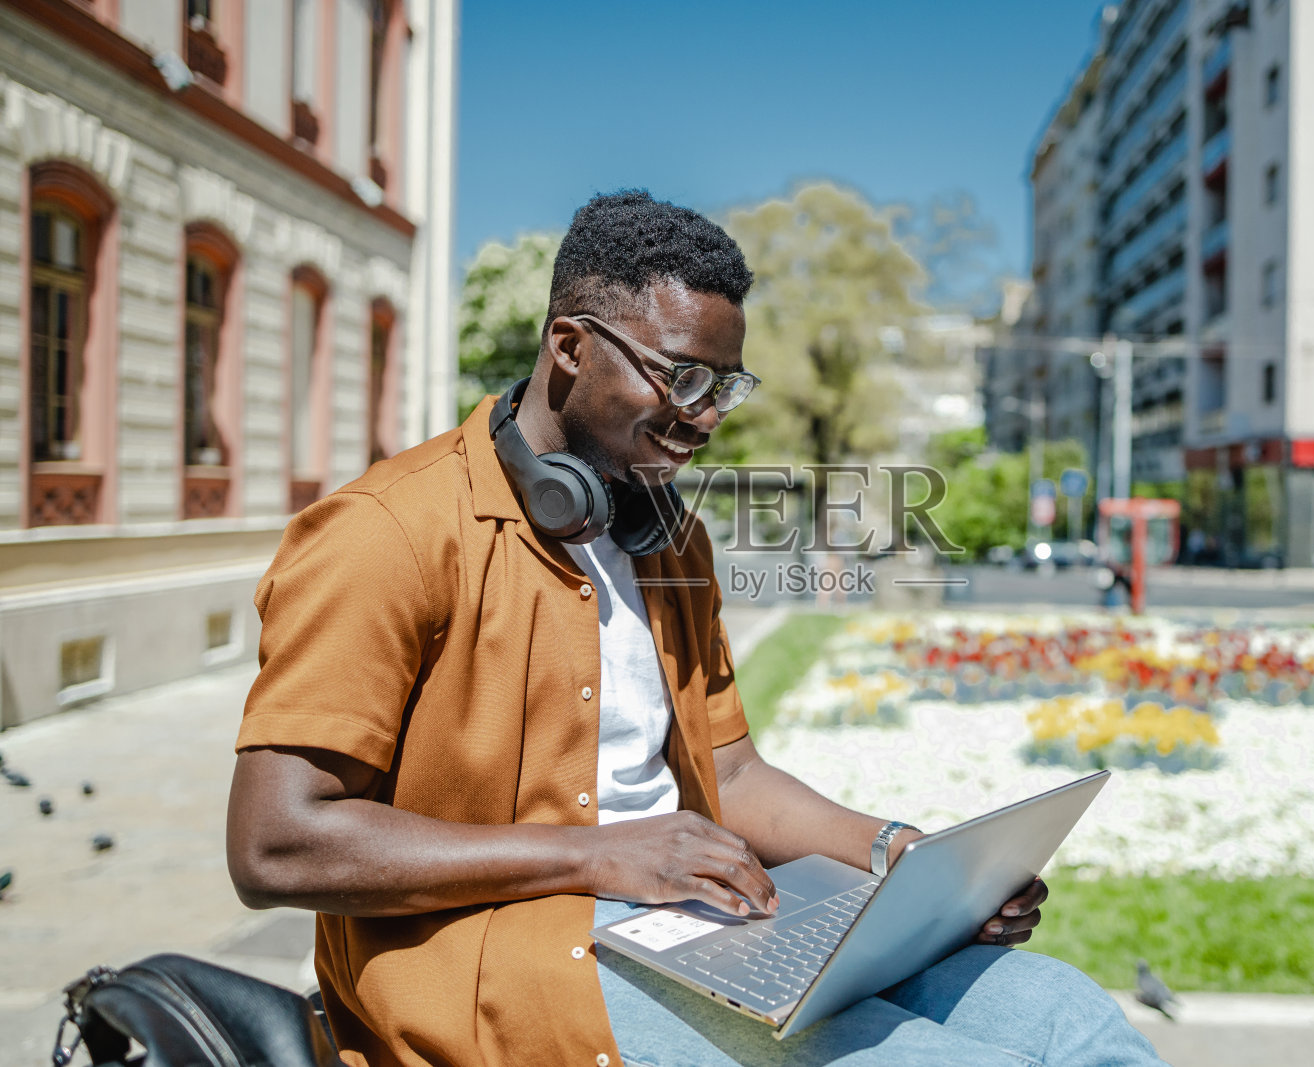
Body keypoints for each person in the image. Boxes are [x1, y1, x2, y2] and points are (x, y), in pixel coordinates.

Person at [226, 191, 1164, 1067]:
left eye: (725, 385)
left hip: (691, 916)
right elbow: (274, 842)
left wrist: (896, 858)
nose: (705, 416)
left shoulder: (670, 534)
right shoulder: (384, 532)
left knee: (1071, 1021)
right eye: (679, 377)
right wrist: (599, 856)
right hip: (505, 963)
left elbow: (737, 774)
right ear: (568, 345)